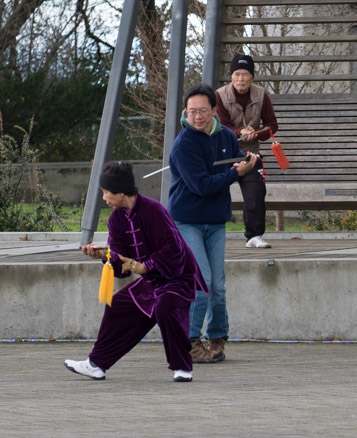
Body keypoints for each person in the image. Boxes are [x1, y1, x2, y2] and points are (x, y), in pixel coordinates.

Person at [64, 161, 208, 382]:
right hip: (153, 281)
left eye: (106, 192)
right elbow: (120, 263)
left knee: (166, 308)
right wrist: (104, 256)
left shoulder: (154, 210)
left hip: (179, 276)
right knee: (118, 306)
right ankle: (96, 364)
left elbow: (174, 249)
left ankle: (183, 368)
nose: (104, 198)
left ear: (121, 192)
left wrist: (145, 266)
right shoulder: (116, 219)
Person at [169, 83, 258, 363]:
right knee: (201, 281)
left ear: (214, 110)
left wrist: (248, 166)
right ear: (185, 112)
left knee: (218, 285)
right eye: (192, 111)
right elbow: (202, 186)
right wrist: (234, 174)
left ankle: (217, 338)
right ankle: (190, 341)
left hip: (216, 222)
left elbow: (235, 171)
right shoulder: (184, 144)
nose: (197, 117)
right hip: (187, 221)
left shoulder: (226, 138)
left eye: (203, 111)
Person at [215, 53, 279, 249]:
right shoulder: (219, 95)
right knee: (211, 188)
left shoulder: (261, 95)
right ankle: (210, 232)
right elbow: (220, 126)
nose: (240, 79)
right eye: (236, 74)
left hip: (251, 154)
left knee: (256, 191)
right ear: (231, 76)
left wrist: (257, 133)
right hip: (224, 153)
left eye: (244, 74)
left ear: (251, 76)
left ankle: (254, 236)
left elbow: (271, 125)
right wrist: (239, 132)